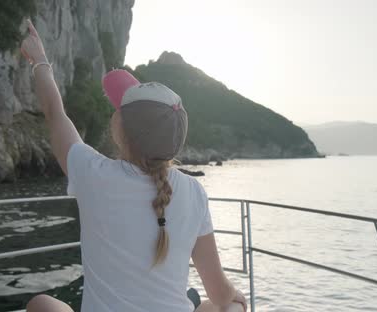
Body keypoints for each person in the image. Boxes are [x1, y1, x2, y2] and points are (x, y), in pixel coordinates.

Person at [20, 19, 247, 312]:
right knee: (220, 306)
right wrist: (235, 298)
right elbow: (218, 290)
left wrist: (40, 62)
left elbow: (55, 113)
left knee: (40, 304)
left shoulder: (93, 174)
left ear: (119, 127)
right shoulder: (194, 192)